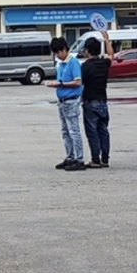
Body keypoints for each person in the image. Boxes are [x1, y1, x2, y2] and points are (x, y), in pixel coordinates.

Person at [45, 37, 85, 172]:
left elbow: (77, 82)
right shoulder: (61, 64)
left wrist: (60, 84)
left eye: (58, 53)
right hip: (62, 101)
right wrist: (54, 83)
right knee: (65, 131)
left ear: (64, 50)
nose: (57, 56)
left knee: (74, 131)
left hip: (71, 101)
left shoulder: (73, 63)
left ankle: (79, 159)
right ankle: (70, 157)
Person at [81, 32, 114, 168]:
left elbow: (81, 83)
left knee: (92, 132)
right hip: (103, 101)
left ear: (87, 51)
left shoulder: (85, 66)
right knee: (103, 130)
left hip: (90, 101)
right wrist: (107, 41)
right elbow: (112, 55)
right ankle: (105, 159)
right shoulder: (104, 63)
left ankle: (95, 159)